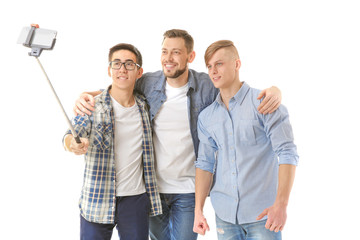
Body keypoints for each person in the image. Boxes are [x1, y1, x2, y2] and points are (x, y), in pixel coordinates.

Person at [73, 30, 282, 240]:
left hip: (188, 190)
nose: (168, 58)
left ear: (190, 57)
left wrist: (274, 90)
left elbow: (234, 88)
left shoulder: (207, 85)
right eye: (165, 51)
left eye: (175, 52)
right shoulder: (148, 82)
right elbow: (120, 87)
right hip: (152, 189)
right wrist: (88, 95)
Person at [193, 40, 299, 240]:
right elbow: (205, 163)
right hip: (224, 215)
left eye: (219, 64)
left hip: (263, 214)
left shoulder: (264, 103)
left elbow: (287, 153)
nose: (213, 71)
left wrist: (281, 205)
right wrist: (199, 210)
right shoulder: (207, 117)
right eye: (209, 66)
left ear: (237, 64)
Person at [64, 43, 162, 240]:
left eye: (129, 64)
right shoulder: (92, 105)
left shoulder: (145, 106)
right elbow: (70, 135)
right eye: (116, 64)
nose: (122, 69)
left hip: (135, 200)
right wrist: (73, 144)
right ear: (109, 70)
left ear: (139, 71)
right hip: (96, 198)